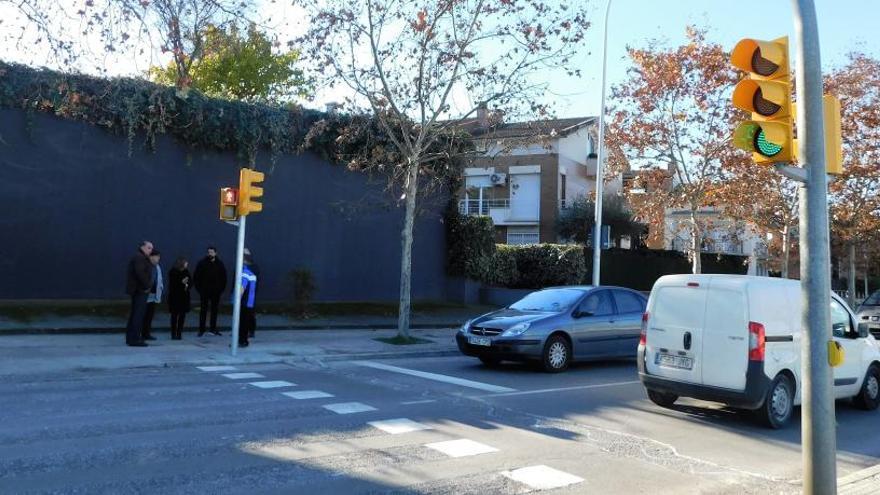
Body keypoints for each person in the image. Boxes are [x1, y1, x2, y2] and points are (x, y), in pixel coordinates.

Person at [125, 241, 154, 347]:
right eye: (149, 248)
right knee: (138, 315)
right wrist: (147, 286)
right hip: (140, 290)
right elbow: (140, 273)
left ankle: (131, 338)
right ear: (142, 247)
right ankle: (135, 338)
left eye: (151, 248)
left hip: (138, 290)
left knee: (135, 314)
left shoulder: (139, 257)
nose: (151, 250)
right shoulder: (140, 258)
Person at [194, 246, 227, 336]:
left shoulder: (220, 264)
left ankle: (213, 328)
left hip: (216, 292)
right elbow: (196, 277)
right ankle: (201, 329)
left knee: (214, 310)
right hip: (204, 291)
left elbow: (224, 278)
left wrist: (220, 289)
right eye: (209, 252)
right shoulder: (202, 263)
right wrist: (200, 289)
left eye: (212, 252)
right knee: (203, 310)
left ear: (215, 253)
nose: (210, 254)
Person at [142, 249, 163, 341]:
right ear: (151, 257)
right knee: (142, 315)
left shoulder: (157, 267)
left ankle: (147, 333)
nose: (158, 258)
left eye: (159, 257)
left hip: (154, 295)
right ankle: (140, 333)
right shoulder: (146, 266)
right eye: (157, 256)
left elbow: (159, 280)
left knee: (150, 316)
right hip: (145, 294)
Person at [167, 257, 191, 340]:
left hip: (184, 297)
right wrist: (182, 283)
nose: (187, 264)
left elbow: (190, 282)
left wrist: (187, 285)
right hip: (175, 297)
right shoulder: (173, 272)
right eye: (185, 263)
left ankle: (179, 333)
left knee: (182, 316)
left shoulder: (186, 272)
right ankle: (173, 333)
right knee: (174, 316)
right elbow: (173, 285)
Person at [237, 255, 258, 348]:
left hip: (244, 302)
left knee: (242, 322)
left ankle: (242, 341)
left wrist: (237, 299)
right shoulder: (252, 273)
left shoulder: (245, 273)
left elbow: (242, 288)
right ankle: (243, 340)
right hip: (250, 301)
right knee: (246, 321)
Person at [243, 247, 260, 339]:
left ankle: (251, 330)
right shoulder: (240, 266)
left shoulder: (253, 267)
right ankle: (241, 331)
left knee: (250, 313)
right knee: (242, 313)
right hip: (242, 294)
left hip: (249, 294)